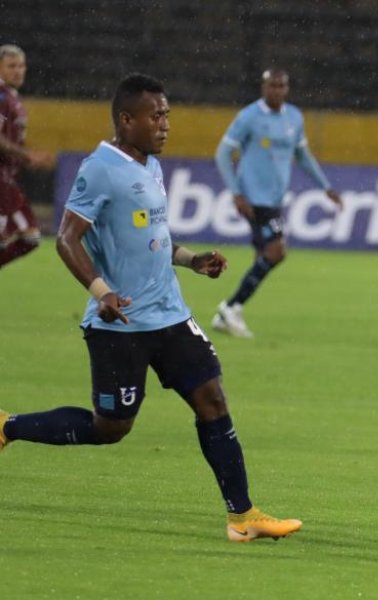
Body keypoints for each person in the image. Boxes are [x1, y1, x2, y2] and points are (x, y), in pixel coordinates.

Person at [0, 73, 301, 543]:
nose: (165, 124)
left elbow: (150, 238)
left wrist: (190, 260)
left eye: (167, 115)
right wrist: (102, 291)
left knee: (212, 400)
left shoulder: (150, 164)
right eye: (155, 116)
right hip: (120, 323)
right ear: (127, 120)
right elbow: (66, 238)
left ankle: (243, 516)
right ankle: (8, 426)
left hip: (170, 315)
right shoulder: (100, 168)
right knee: (111, 427)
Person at [211, 68, 341, 337]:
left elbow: (303, 156)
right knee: (277, 251)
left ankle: (231, 312)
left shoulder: (294, 117)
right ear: (263, 87)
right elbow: (223, 153)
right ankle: (230, 307)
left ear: (287, 88)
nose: (277, 91)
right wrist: (236, 192)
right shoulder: (249, 116)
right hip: (254, 199)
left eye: (282, 86)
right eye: (272, 86)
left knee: (263, 257)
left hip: (275, 199)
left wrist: (326, 187)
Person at [0, 44, 55, 270]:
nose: (18, 71)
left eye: (22, 66)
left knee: (19, 239)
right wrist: (27, 155)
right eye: (12, 66)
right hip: (1, 180)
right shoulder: (1, 97)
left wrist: (26, 159)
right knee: (28, 237)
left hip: (8, 179)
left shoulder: (12, 98)